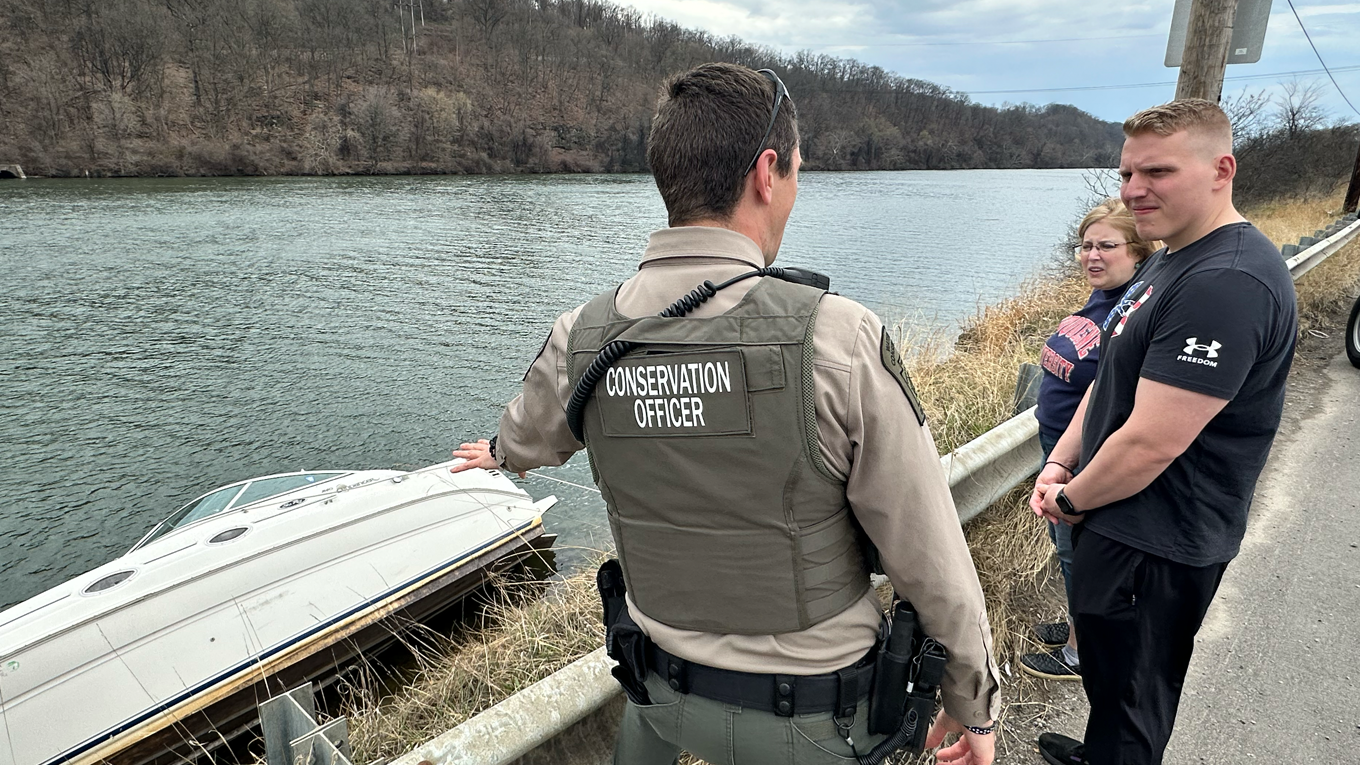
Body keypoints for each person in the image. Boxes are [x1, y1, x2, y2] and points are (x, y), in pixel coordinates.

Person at [451, 63, 1000, 765]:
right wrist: (974, 702)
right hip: (818, 719)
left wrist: (498, 453)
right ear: (767, 173)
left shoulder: (580, 335)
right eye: (798, 171)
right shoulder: (838, 336)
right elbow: (928, 553)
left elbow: (528, 437)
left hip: (661, 695)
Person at [1030, 99, 1298, 765]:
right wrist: (1062, 460)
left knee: (1134, 702)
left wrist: (1072, 498)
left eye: (1158, 172)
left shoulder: (1226, 281)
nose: (1134, 190)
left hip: (1159, 539)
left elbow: (1152, 440)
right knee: (1111, 679)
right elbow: (1110, 378)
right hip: (1121, 521)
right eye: (1127, 173)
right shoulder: (1172, 258)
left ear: (1221, 170)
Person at [1020, 199, 1160, 682]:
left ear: (1138, 252)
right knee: (1065, 548)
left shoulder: (1135, 313)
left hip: (1086, 454)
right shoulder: (1104, 301)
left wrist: (1073, 458)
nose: (1092, 256)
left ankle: (1080, 651)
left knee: (1077, 553)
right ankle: (1080, 626)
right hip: (1057, 448)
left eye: (1107, 246)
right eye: (1086, 245)